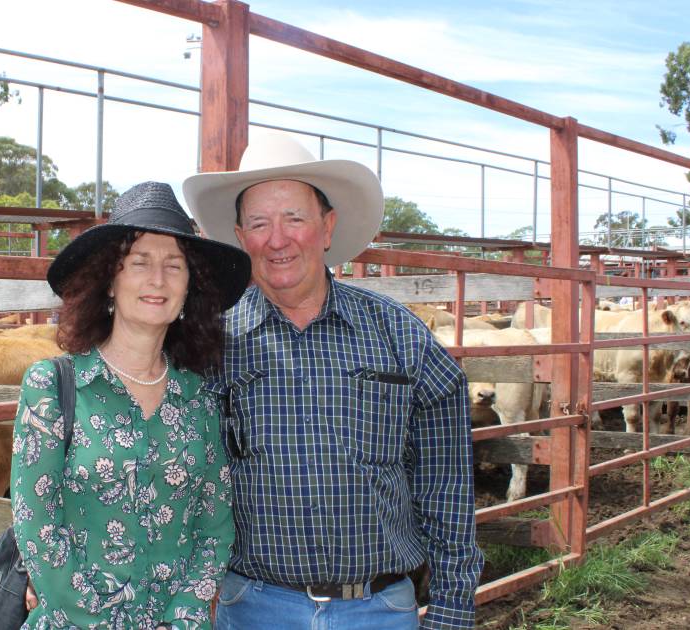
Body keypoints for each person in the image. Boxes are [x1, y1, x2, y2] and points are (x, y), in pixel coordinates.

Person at [183, 134, 483, 629]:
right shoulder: (211, 344)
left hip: (378, 608)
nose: (277, 239)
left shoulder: (398, 334)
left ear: (327, 227)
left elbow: (445, 483)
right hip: (254, 607)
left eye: (295, 218)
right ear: (240, 236)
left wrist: (451, 609)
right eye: (259, 223)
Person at [10, 181, 252, 629]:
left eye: (174, 266)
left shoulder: (198, 400)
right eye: (139, 262)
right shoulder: (52, 386)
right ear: (108, 281)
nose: (157, 279)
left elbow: (214, 531)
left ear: (187, 291)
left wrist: (182, 620)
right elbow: (37, 528)